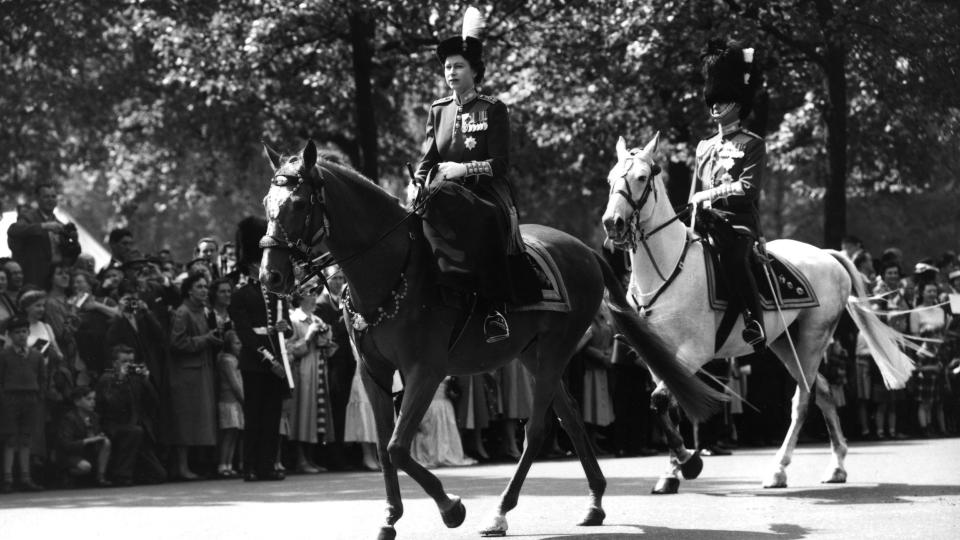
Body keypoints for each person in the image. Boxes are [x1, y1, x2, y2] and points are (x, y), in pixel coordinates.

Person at [413, 6, 524, 343]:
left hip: (487, 192)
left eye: (458, 66)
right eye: (447, 67)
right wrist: (416, 181)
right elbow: (428, 157)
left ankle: (494, 311)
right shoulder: (438, 110)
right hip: (442, 191)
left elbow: (501, 164)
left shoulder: (493, 108)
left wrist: (463, 169)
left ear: (475, 71)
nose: (451, 72)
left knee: (487, 219)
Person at [689, 39, 766, 352]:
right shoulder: (704, 146)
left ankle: (754, 320)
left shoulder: (752, 143)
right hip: (703, 223)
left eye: (722, 100)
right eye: (712, 101)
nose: (715, 106)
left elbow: (748, 188)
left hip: (736, 224)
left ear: (737, 102)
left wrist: (710, 194)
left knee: (734, 259)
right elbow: (694, 192)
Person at [228, 216, 290, 482]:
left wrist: (285, 327)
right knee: (254, 416)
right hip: (256, 362)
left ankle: (266, 465)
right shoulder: (241, 294)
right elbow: (246, 334)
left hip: (277, 358)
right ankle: (249, 466)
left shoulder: (275, 292)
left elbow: (284, 328)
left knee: (272, 416)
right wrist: (269, 360)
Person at [167, 273, 220, 479]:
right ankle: (181, 467)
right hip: (186, 374)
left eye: (206, 287)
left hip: (201, 370)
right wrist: (206, 339)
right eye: (199, 286)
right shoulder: (183, 312)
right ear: (189, 290)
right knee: (185, 421)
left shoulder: (202, 311)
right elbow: (177, 343)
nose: (204, 290)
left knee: (197, 420)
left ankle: (191, 465)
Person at [94, 345, 167, 485]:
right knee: (134, 432)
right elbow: (113, 406)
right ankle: (122, 476)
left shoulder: (135, 378)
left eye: (131, 361)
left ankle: (133, 474)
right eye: (124, 361)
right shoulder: (107, 378)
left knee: (159, 475)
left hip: (135, 427)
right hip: (113, 425)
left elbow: (154, 401)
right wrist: (120, 380)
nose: (128, 365)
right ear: (114, 362)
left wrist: (146, 379)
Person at [286, 292, 335, 473]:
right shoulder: (294, 319)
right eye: (309, 294)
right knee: (303, 413)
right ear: (299, 297)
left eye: (315, 294)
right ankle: (300, 459)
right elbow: (288, 349)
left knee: (316, 414)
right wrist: (308, 337)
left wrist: (326, 339)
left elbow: (327, 347)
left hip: (319, 368)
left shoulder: (316, 318)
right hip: (304, 370)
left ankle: (311, 458)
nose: (314, 298)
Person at [314, 265, 354, 470]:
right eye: (334, 278)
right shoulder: (322, 304)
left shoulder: (343, 300)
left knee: (345, 408)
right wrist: (345, 316)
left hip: (349, 362)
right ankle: (334, 457)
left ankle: (347, 454)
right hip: (333, 363)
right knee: (336, 410)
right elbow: (330, 332)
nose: (338, 282)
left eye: (341, 278)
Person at [0, 316, 45, 492]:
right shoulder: (4, 356)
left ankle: (26, 477)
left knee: (26, 438)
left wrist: (39, 394)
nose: (21, 335)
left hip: (31, 398)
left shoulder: (36, 355)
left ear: (29, 333)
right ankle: (8, 479)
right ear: (10, 335)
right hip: (11, 398)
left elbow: (42, 377)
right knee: (10, 438)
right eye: (17, 332)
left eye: (24, 331)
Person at [7, 183, 80, 288]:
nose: (50, 199)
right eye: (46, 196)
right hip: (33, 278)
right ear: (38, 199)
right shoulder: (28, 217)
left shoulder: (60, 225)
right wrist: (44, 226)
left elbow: (70, 258)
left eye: (53, 196)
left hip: (54, 282)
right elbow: (13, 230)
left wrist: (74, 241)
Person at [104, 280, 167, 390]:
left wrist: (147, 312)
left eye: (135, 298)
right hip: (131, 368)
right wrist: (120, 313)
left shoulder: (143, 315)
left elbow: (160, 334)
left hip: (150, 366)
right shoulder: (115, 320)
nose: (132, 303)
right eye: (128, 300)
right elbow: (110, 340)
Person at [411, 377, 477, 469]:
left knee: (446, 431)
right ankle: (431, 455)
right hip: (430, 404)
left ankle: (445, 454)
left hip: (445, 405)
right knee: (429, 431)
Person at [55, 386, 111, 486]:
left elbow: (96, 434)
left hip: (87, 450)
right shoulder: (69, 418)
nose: (93, 402)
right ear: (77, 402)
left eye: (94, 399)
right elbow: (66, 445)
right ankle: (67, 474)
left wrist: (99, 436)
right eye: (88, 399)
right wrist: (89, 440)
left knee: (106, 442)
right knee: (85, 467)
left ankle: (100, 476)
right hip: (71, 453)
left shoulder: (94, 416)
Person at [216, 331, 244, 478]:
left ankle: (229, 464)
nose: (239, 346)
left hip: (236, 401)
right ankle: (222, 464)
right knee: (228, 433)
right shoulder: (227, 360)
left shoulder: (234, 359)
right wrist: (243, 399)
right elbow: (234, 383)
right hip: (228, 400)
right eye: (236, 343)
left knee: (234, 433)